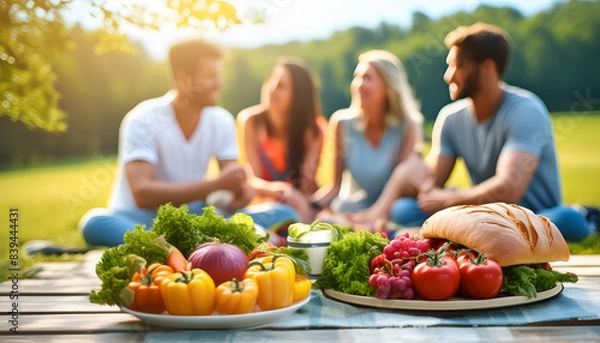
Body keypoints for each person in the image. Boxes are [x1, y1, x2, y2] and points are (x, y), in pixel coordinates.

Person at [79, 38, 298, 247]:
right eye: (211, 76)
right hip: (142, 219)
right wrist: (214, 185)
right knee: (95, 222)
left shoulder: (220, 120)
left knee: (284, 213)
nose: (219, 84)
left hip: (193, 215)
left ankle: (177, 246)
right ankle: (180, 245)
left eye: (219, 75)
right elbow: (142, 193)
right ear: (184, 79)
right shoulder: (144, 119)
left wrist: (242, 193)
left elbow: (233, 188)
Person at [391, 22, 596, 242]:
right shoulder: (450, 118)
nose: (448, 76)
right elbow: (431, 186)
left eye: (459, 65)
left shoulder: (525, 110)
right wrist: (419, 178)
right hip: (483, 214)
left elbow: (508, 189)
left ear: (487, 68)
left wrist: (449, 200)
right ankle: (481, 232)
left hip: (531, 215)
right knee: (403, 209)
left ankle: (587, 217)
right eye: (449, 65)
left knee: (567, 220)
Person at [310, 49, 428, 233]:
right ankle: (372, 229)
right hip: (359, 206)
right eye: (357, 77)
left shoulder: (408, 125)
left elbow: (405, 182)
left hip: (393, 205)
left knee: (402, 210)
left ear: (388, 87)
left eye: (367, 78)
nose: (359, 85)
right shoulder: (342, 123)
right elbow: (335, 187)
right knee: (342, 207)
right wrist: (310, 204)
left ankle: (373, 227)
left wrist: (377, 212)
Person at [236, 57, 327, 240]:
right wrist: (274, 189)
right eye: (271, 82)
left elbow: (306, 184)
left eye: (281, 87)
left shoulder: (314, 130)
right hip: (266, 203)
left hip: (301, 204)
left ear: (298, 96)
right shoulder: (251, 122)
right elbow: (251, 179)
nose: (272, 90)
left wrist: (293, 198)